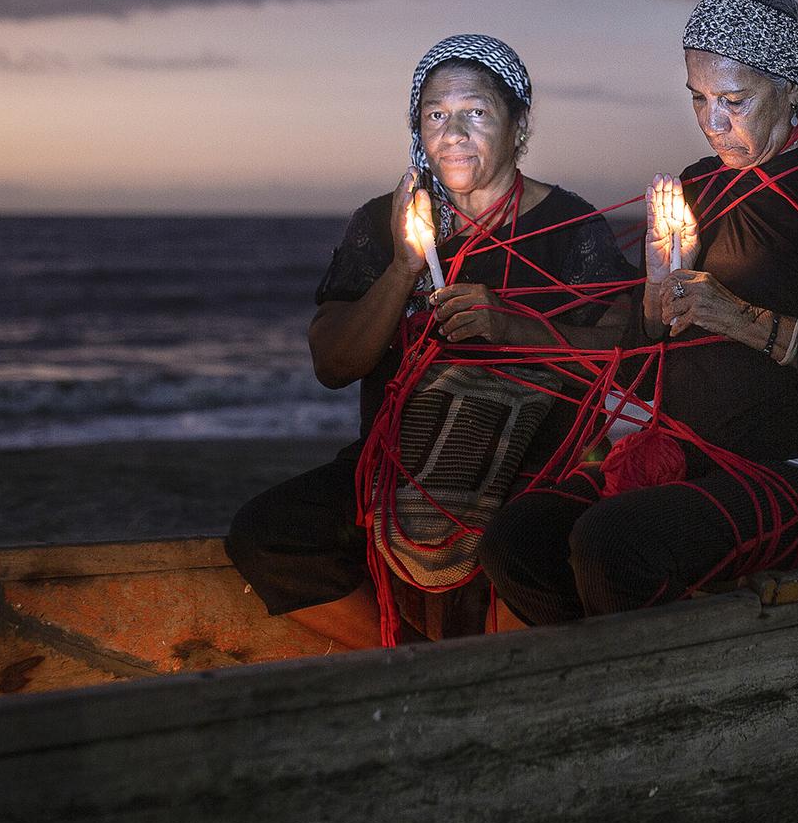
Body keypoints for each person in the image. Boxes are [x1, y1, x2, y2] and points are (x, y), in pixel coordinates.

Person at [479, 0, 798, 624]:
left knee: (614, 545)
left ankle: (667, 705)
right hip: (696, 452)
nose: (713, 122)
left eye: (734, 98)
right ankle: (602, 690)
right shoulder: (699, 184)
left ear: (788, 87)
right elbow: (651, 362)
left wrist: (746, 321)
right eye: (697, 98)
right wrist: (651, 306)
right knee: (515, 541)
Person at [225, 34, 632, 649]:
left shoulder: (568, 228)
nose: (454, 133)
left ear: (519, 124)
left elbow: (631, 356)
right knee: (267, 531)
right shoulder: (383, 222)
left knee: (517, 550)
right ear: (416, 129)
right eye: (436, 115)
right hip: (393, 470)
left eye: (476, 112)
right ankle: (410, 656)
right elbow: (334, 364)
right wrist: (402, 269)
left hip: (529, 471)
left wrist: (515, 327)